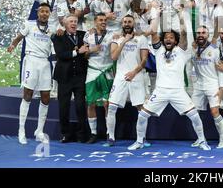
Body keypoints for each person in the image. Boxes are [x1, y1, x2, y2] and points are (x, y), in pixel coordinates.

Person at [127, 7, 211, 151]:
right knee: (142, 116)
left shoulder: (182, 51)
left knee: (195, 116)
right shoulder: (158, 50)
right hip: (160, 91)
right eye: (166, 37)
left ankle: (202, 140)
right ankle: (139, 141)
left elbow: (184, 32)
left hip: (178, 91)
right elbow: (153, 32)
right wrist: (157, 15)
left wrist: (180, 15)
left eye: (171, 37)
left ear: (176, 41)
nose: (168, 39)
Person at [7, 3, 53, 145]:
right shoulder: (29, 24)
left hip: (45, 63)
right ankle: (21, 131)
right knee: (28, 94)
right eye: (42, 11)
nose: (44, 14)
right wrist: (13, 45)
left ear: (50, 14)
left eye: (47, 11)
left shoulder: (52, 28)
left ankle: (39, 131)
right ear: (38, 13)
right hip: (31, 61)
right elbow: (19, 37)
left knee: (46, 97)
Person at [106, 15, 149, 146]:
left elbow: (144, 60)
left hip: (136, 76)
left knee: (141, 109)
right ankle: (111, 137)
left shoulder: (141, 38)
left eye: (129, 22)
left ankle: (142, 138)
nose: (127, 24)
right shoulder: (116, 38)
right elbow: (113, 57)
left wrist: (134, 72)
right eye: (124, 22)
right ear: (122, 24)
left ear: (133, 23)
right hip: (120, 77)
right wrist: (124, 41)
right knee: (112, 107)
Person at [51, 14, 89, 143]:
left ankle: (82, 134)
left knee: (80, 106)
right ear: (65, 24)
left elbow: (93, 36)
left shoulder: (83, 35)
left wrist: (94, 30)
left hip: (80, 77)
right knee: (64, 106)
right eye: (71, 21)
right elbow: (61, 54)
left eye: (75, 21)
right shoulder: (58, 36)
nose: (73, 23)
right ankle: (65, 134)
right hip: (64, 77)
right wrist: (78, 52)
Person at [191, 26, 223, 148]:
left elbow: (221, 70)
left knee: (215, 111)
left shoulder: (215, 50)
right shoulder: (193, 49)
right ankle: (200, 139)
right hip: (199, 85)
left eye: (203, 33)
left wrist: (221, 89)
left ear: (208, 35)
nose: (201, 35)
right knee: (194, 112)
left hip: (213, 84)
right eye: (198, 32)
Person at [83, 13, 115, 143]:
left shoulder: (112, 34)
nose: (103, 22)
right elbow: (83, 55)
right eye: (100, 20)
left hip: (107, 72)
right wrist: (91, 50)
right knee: (91, 103)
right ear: (95, 22)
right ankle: (93, 133)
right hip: (92, 71)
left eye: (105, 20)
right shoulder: (88, 35)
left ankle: (109, 133)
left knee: (107, 104)